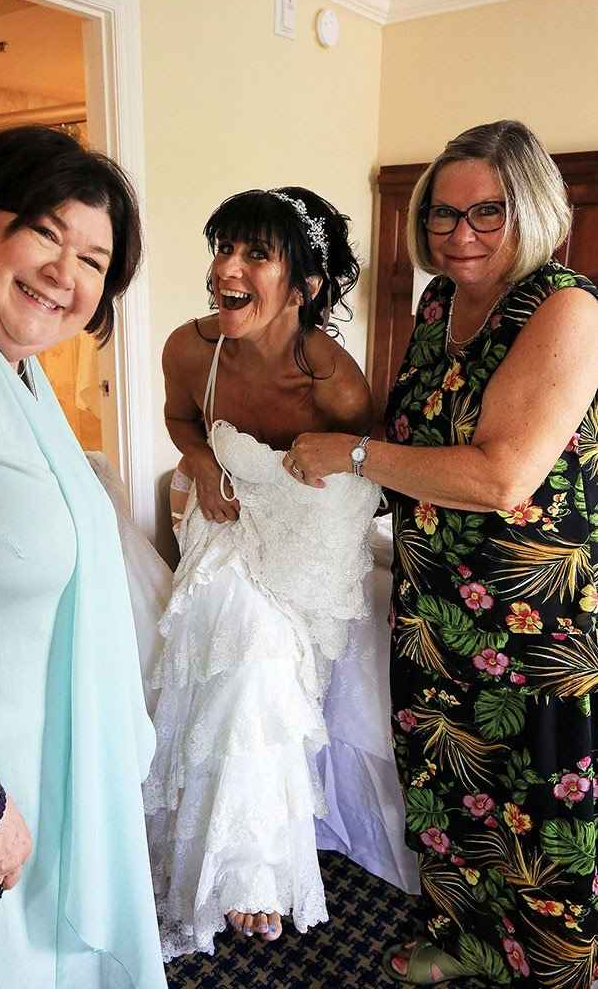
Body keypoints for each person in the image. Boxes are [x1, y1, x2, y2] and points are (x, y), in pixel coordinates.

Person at [284, 119, 598, 987]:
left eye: (485, 213)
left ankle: (548, 973)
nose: (457, 235)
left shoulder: (566, 308)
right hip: (433, 600)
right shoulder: (437, 304)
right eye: (441, 215)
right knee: (444, 788)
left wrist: (351, 456)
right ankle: (463, 940)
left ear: (531, 210)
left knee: (536, 812)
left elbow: (502, 476)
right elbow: (405, 432)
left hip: (532, 619)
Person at [144, 186, 417, 960]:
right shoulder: (187, 348)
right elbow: (180, 419)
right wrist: (198, 465)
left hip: (308, 532)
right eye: (222, 247)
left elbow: (357, 489)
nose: (224, 268)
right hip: (223, 514)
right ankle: (245, 875)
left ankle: (248, 863)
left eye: (254, 254)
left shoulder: (334, 380)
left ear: (304, 285)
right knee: (244, 646)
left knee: (268, 658)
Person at [0, 125, 167, 989]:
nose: (66, 275)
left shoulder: (10, 362)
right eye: (45, 231)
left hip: (14, 765)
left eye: (95, 260)